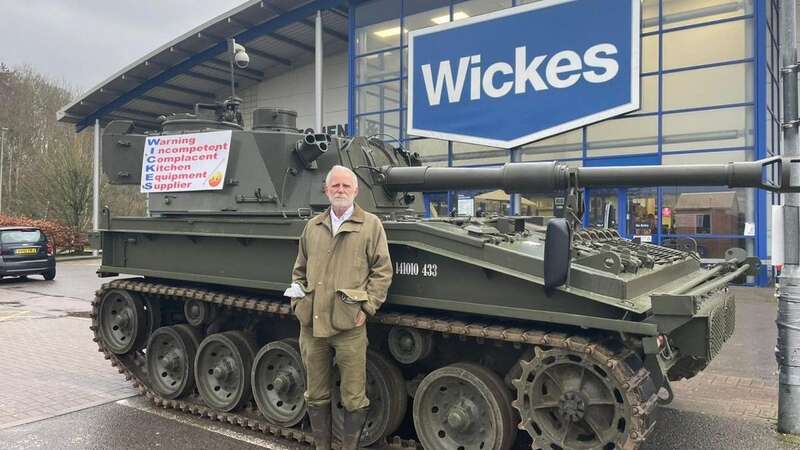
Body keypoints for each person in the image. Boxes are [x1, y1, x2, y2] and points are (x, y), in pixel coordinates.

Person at [285, 165, 392, 450]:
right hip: (312, 324)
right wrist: (298, 303)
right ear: (327, 190)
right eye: (335, 186)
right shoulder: (313, 226)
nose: (341, 190)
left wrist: (366, 307)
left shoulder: (370, 225)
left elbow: (382, 271)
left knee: (354, 396)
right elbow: (299, 270)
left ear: (356, 191)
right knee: (315, 393)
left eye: (346, 186)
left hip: (349, 324)